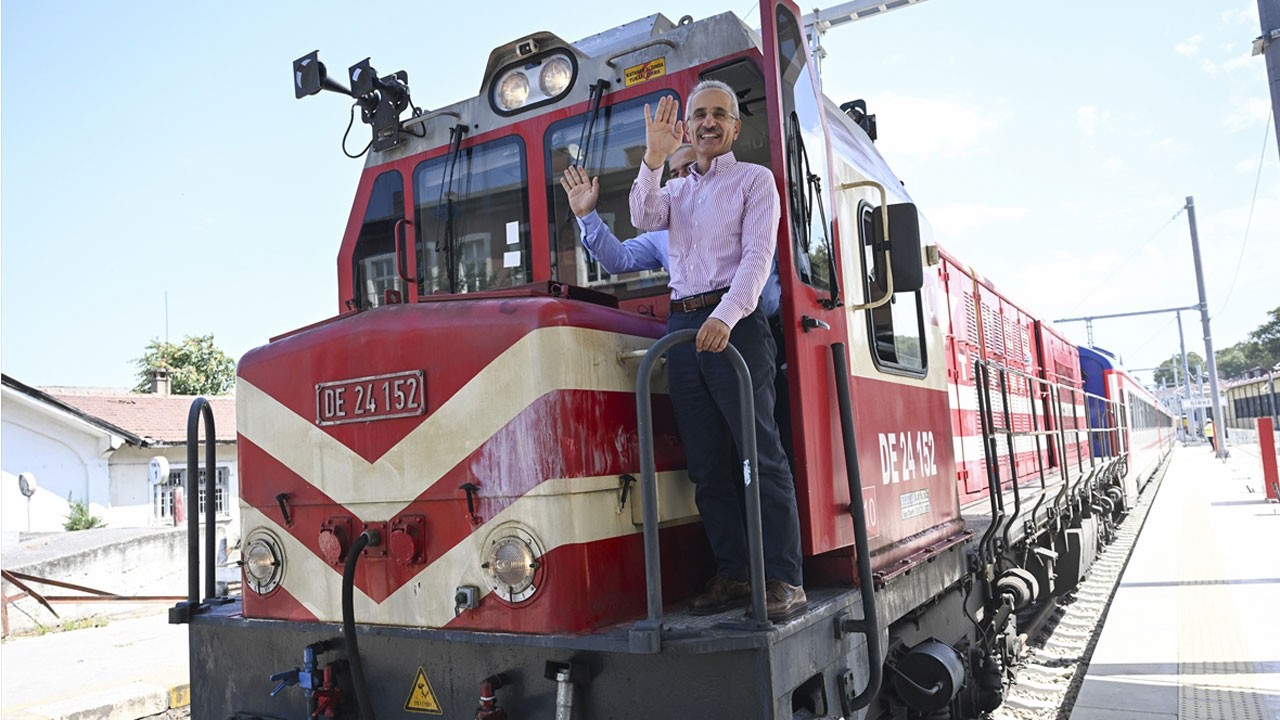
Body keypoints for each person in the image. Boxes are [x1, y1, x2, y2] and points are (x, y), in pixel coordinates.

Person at [627, 81, 805, 621]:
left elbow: (756, 261)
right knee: (706, 463)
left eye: (718, 115)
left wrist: (725, 317)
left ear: (734, 127)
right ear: (687, 126)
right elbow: (641, 216)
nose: (707, 123)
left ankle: (786, 579)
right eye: (698, 114)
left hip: (737, 324)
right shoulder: (675, 190)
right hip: (682, 328)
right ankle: (734, 573)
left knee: (760, 455)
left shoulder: (757, 181)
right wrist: (654, 159)